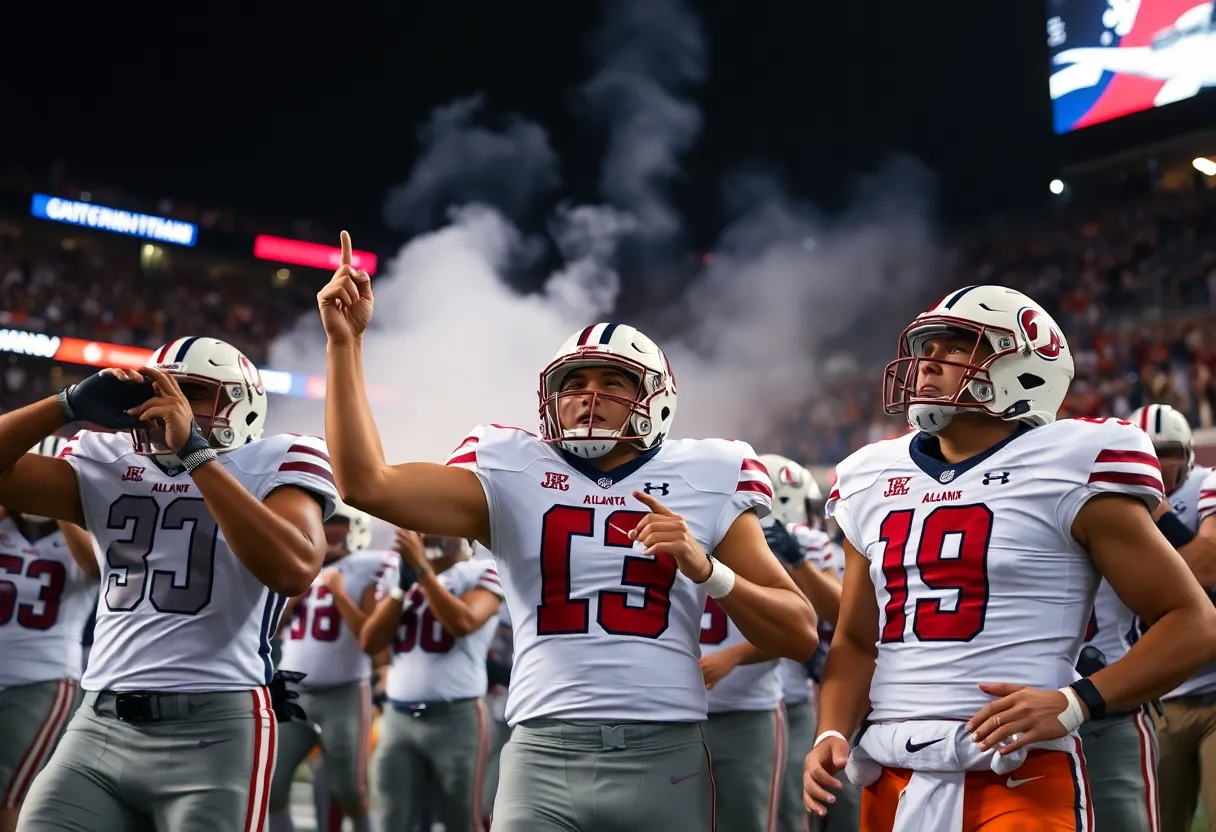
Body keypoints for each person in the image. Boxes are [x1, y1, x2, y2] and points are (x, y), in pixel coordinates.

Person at [318, 231, 818, 832]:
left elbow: (799, 632)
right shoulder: (510, 467)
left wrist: (707, 568)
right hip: (541, 753)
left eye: (613, 384)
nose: (588, 398)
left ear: (655, 400)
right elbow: (365, 485)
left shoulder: (709, 472)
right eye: (574, 384)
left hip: (666, 755)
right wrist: (345, 346)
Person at [802, 285, 1216, 832]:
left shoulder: (1072, 462)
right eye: (927, 349)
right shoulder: (869, 475)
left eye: (955, 348)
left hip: (1016, 767)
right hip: (891, 768)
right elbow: (857, 639)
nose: (929, 363)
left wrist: (1076, 702)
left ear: (1024, 366)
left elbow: (1193, 621)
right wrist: (832, 730)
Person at [0, 336, 337, 832]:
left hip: (215, 728)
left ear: (242, 406)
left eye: (193, 393)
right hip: (100, 722)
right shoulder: (106, 460)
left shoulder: (279, 459)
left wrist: (197, 455)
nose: (168, 405)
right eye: (160, 389)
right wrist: (65, 405)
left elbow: (293, 569)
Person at [361, 531, 502, 832]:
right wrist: (401, 589)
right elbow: (370, 643)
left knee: (461, 820)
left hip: (456, 718)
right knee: (390, 819)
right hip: (398, 718)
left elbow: (462, 622)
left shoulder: (483, 570)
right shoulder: (399, 575)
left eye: (439, 526)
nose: (427, 533)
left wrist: (423, 572)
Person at [1124, 404, 1216, 832]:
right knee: (1161, 823)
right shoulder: (1114, 502)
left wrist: (1158, 515)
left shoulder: (1205, 486)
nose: (1158, 463)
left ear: (1189, 454)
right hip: (1160, 698)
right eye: (1147, 451)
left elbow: (1208, 568)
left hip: (1214, 687)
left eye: (1168, 451)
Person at [0, 437, 98, 832]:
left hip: (41, 678)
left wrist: (61, 507)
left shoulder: (78, 535)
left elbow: (96, 567)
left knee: (8, 789)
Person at [755, 454, 856, 832]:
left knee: (794, 807)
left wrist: (797, 560)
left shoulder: (807, 544)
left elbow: (845, 613)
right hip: (754, 695)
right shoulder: (730, 533)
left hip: (792, 696)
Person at [269, 500, 383, 832]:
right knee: (272, 785)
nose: (331, 531)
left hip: (344, 693)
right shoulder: (302, 565)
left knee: (350, 790)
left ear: (357, 529)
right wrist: (295, 594)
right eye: (327, 523)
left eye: (340, 524)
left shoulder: (367, 567)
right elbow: (272, 626)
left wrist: (339, 594)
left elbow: (371, 637)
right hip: (292, 689)